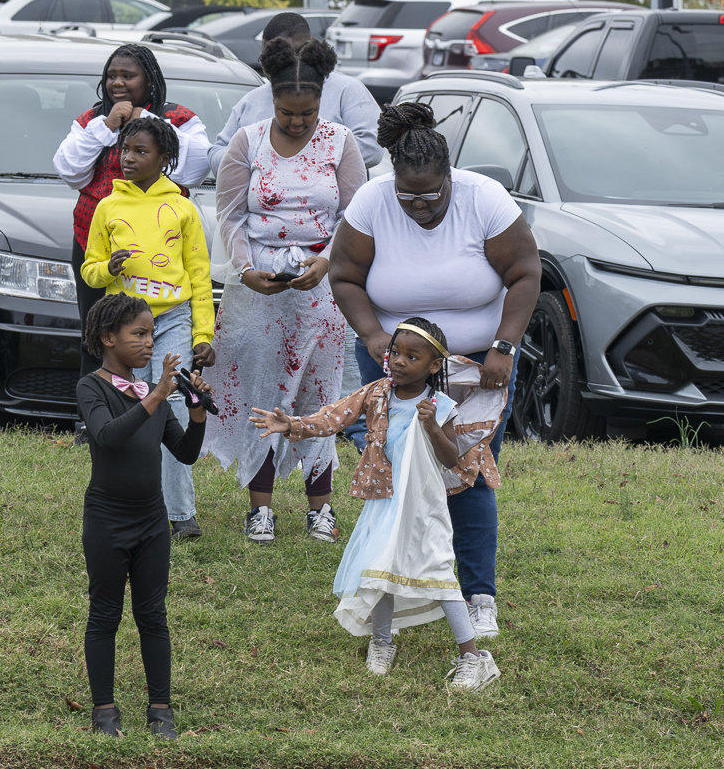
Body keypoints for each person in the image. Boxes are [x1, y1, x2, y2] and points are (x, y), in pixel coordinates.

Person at [328, 101, 542, 640]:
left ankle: (478, 596)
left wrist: (504, 346)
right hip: (397, 364)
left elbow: (525, 272)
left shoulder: (484, 199)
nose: (419, 207)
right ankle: (392, 590)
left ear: (450, 176)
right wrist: (373, 335)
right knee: (396, 475)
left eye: (431, 196)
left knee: (469, 475)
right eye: (408, 196)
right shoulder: (372, 203)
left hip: (478, 366)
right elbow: (344, 275)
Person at [250, 319, 500, 690]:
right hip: (385, 500)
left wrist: (433, 427)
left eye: (412, 356)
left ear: (434, 365)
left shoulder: (441, 405)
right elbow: (335, 416)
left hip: (423, 503)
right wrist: (293, 425)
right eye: (395, 352)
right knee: (379, 568)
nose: (398, 361)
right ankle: (382, 641)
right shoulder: (377, 393)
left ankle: (475, 658)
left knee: (439, 571)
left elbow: (451, 459)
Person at [201, 37, 367, 544]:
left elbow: (353, 216)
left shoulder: (340, 142)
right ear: (271, 99)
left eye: (307, 113)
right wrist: (246, 269)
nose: (298, 122)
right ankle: (261, 509)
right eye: (287, 113)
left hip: (320, 289)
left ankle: (321, 508)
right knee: (263, 394)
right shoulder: (246, 142)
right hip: (259, 289)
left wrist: (328, 261)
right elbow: (230, 216)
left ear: (321, 101)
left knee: (319, 393)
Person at [75, 293, 213, 740]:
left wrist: (196, 413)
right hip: (107, 519)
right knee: (105, 614)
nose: (149, 342)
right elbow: (108, 436)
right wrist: (156, 394)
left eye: (152, 334)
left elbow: (185, 453)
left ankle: (161, 710)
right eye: (139, 333)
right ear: (107, 337)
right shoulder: (92, 387)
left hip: (152, 520)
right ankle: (104, 711)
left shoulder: (151, 395)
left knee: (153, 614)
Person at [81, 116, 214, 540]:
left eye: (141, 151)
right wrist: (107, 268)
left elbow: (199, 275)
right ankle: (131, 501)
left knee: (174, 405)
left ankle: (181, 514)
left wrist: (203, 336)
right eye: (125, 150)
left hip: (173, 317)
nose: (129, 158)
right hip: (124, 323)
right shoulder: (107, 206)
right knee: (131, 411)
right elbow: (89, 271)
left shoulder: (182, 208)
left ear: (165, 158)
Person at [53, 43, 211, 394]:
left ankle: (157, 409)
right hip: (98, 242)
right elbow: (69, 170)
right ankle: (96, 410)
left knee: (154, 339)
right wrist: (107, 126)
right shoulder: (92, 119)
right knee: (98, 333)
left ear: (149, 80)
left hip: (161, 246)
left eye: (128, 75)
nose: (118, 83)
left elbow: (195, 168)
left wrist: (148, 122)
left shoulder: (179, 118)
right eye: (112, 75)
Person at [207, 12, 383, 175]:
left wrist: (298, 157)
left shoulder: (347, 90)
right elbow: (217, 153)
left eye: (284, 56)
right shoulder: (252, 100)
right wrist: (256, 157)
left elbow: (371, 148)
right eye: (267, 57)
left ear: (308, 48)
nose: (274, 64)